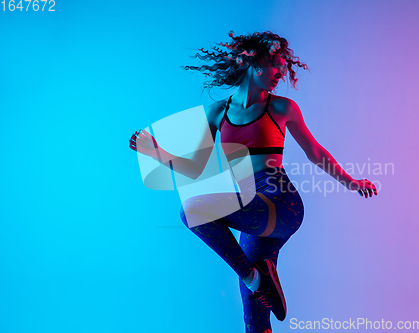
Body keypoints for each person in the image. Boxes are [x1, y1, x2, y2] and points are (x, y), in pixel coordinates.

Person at [129, 30, 377, 333]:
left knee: (193, 210)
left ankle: (255, 277)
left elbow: (314, 152)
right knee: (254, 319)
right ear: (252, 59)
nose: (280, 74)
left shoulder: (282, 108)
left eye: (283, 67)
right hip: (253, 209)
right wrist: (156, 152)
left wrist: (351, 182)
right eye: (275, 63)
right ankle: (260, 278)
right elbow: (195, 168)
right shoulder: (218, 112)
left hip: (282, 204)